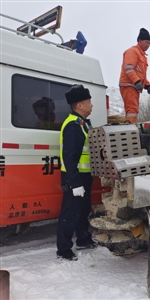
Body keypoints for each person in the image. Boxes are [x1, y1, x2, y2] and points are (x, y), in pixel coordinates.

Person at [56, 84, 97, 261]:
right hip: (75, 177)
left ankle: (83, 239)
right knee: (70, 213)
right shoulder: (73, 125)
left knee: (83, 210)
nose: (92, 104)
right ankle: (64, 249)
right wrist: (75, 183)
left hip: (84, 175)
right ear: (80, 105)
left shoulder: (83, 123)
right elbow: (69, 156)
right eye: (89, 101)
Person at [119, 28, 150, 124]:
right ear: (140, 40)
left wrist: (148, 86)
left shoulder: (142, 56)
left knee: (133, 110)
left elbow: (141, 75)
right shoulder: (132, 52)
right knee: (132, 110)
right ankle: (130, 130)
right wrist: (137, 82)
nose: (148, 45)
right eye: (147, 42)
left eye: (149, 43)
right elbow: (128, 68)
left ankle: (131, 127)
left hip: (134, 86)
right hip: (128, 85)